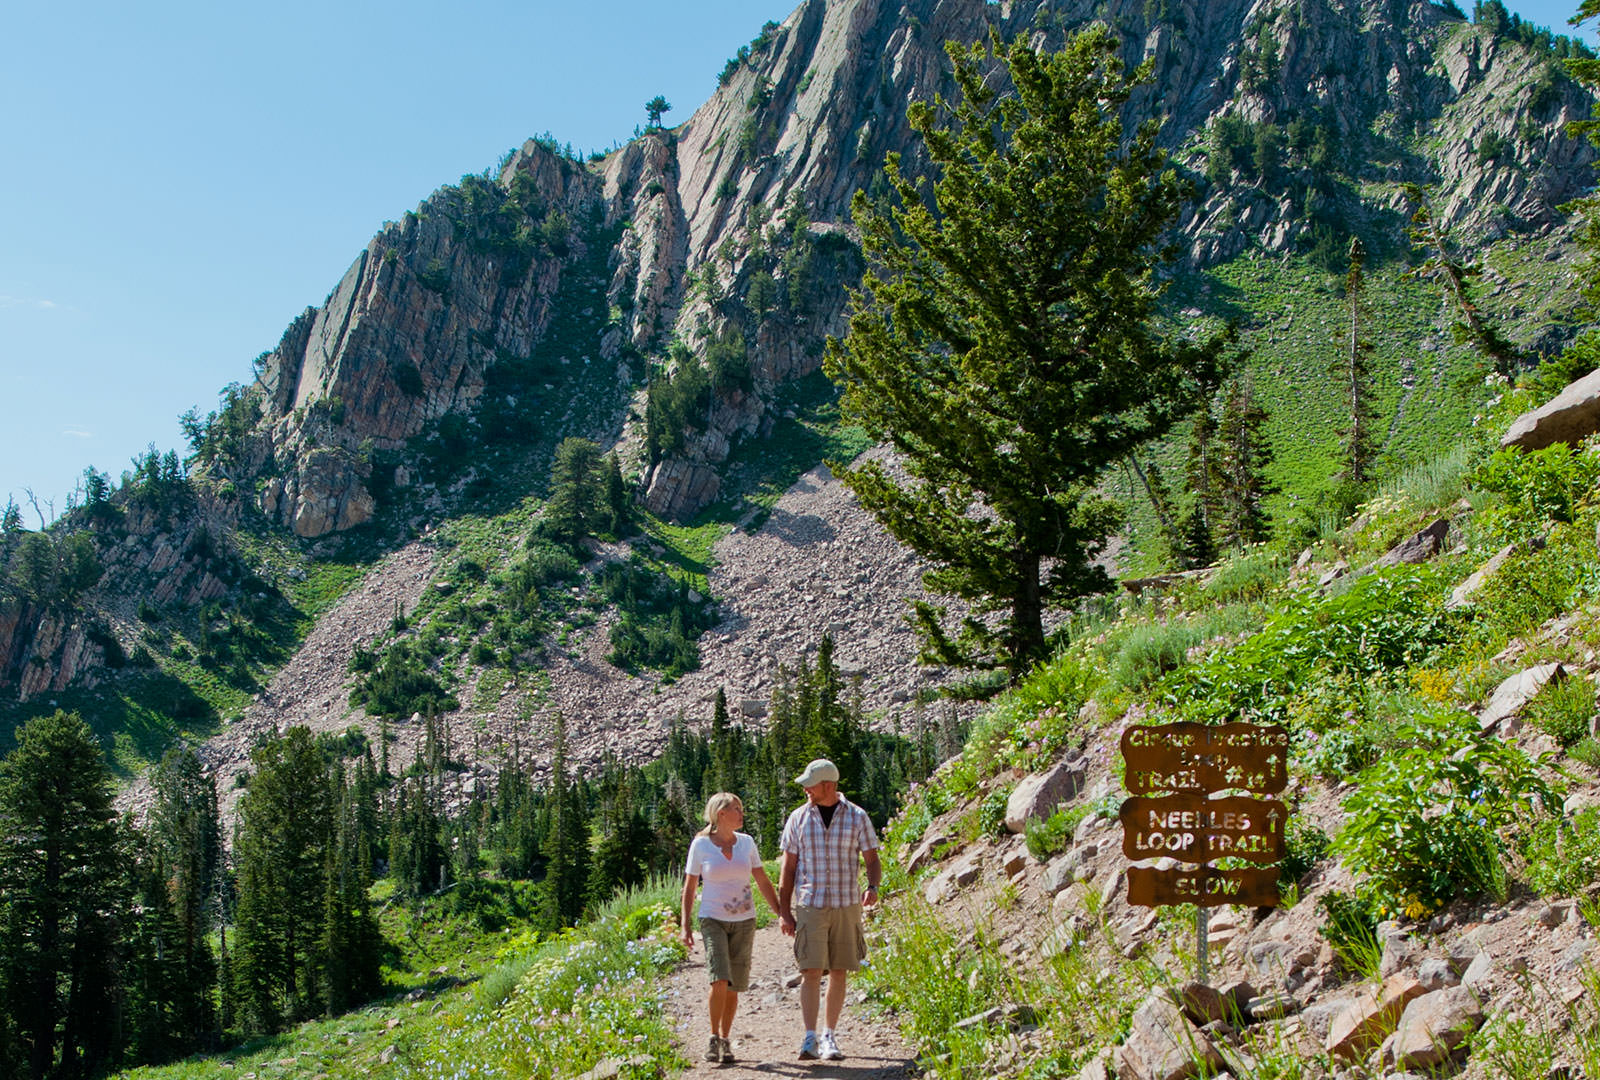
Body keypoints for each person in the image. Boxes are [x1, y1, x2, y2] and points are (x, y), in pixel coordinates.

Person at [777, 758, 882, 1062]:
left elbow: (872, 859)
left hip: (846, 903)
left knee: (838, 970)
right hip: (811, 904)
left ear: (828, 785)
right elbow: (789, 867)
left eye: (811, 784)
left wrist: (872, 887)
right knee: (810, 970)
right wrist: (785, 911)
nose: (806, 789)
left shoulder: (857, 817)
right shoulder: (798, 818)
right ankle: (809, 1037)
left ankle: (829, 1035)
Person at [681, 792, 782, 1065]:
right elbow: (690, 887)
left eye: (741, 808)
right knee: (719, 978)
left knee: (734, 985)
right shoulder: (701, 845)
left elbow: (762, 880)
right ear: (720, 814)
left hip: (745, 920)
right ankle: (713, 1036)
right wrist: (685, 925)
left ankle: (726, 1039)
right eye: (736, 809)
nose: (741, 813)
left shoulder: (747, 843)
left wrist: (782, 913)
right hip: (712, 918)